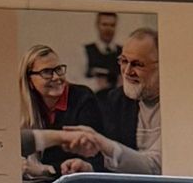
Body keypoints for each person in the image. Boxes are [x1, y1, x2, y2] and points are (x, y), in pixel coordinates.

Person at [54, 27, 162, 175]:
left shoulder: (179, 105)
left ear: (162, 65)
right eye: (123, 61)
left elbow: (154, 167)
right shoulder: (116, 100)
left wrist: (102, 143)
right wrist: (88, 168)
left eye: (137, 64)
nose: (127, 71)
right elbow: (108, 161)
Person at [83, 11, 122, 91]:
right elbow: (76, 81)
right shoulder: (85, 51)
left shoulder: (124, 51)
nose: (108, 29)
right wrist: (95, 83)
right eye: (104, 25)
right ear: (97, 25)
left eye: (112, 25)